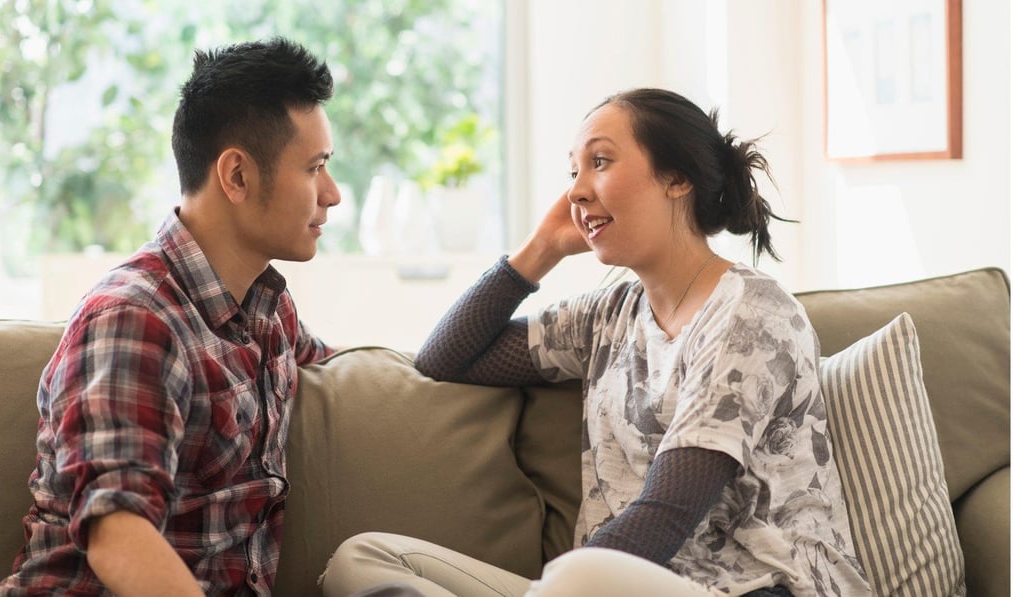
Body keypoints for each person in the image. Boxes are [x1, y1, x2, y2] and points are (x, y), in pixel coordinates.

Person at [321, 88, 871, 596]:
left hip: (756, 589)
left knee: (581, 573)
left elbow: (666, 514)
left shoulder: (750, 313)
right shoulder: (610, 314)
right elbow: (446, 358)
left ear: (676, 178)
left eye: (600, 162)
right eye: (574, 171)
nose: (576, 190)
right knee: (363, 558)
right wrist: (540, 249)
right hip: (605, 586)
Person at [0, 38, 341, 596]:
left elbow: (362, 362)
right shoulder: (135, 319)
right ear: (236, 176)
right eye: (315, 167)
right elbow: (117, 531)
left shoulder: (267, 309)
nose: (333, 194)